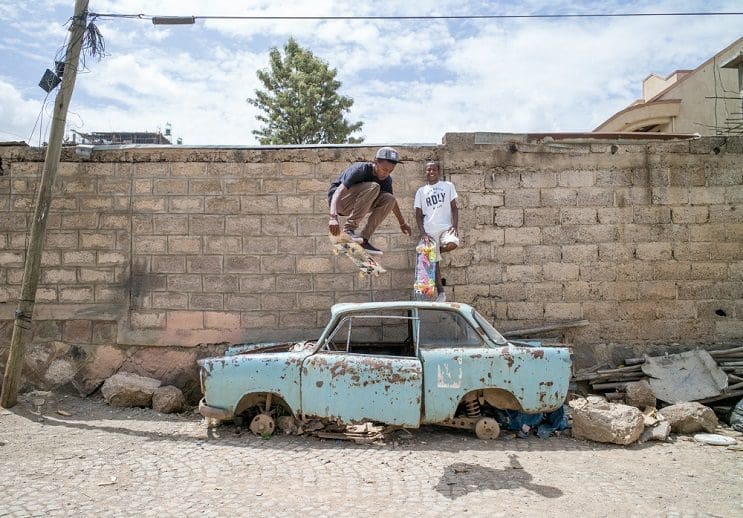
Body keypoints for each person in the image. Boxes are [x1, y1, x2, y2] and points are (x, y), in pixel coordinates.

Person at [328, 147, 412, 255]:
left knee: (390, 199)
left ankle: (364, 239)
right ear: (375, 162)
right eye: (384, 169)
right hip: (340, 201)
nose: (386, 174)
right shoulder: (360, 170)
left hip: (357, 203)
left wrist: (402, 223)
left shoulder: (386, 180)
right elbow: (338, 192)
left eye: (390, 171)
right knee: (374, 187)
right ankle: (348, 230)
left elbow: (393, 203)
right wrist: (333, 217)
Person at [414, 160, 459, 301]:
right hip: (429, 230)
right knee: (433, 262)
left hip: (446, 227)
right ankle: (440, 293)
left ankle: (434, 251)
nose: (431, 172)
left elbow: (454, 208)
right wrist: (423, 233)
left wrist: (455, 225)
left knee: (453, 243)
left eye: (433, 169)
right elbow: (418, 215)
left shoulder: (448, 186)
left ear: (438, 171)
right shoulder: (421, 191)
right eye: (428, 170)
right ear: (425, 172)